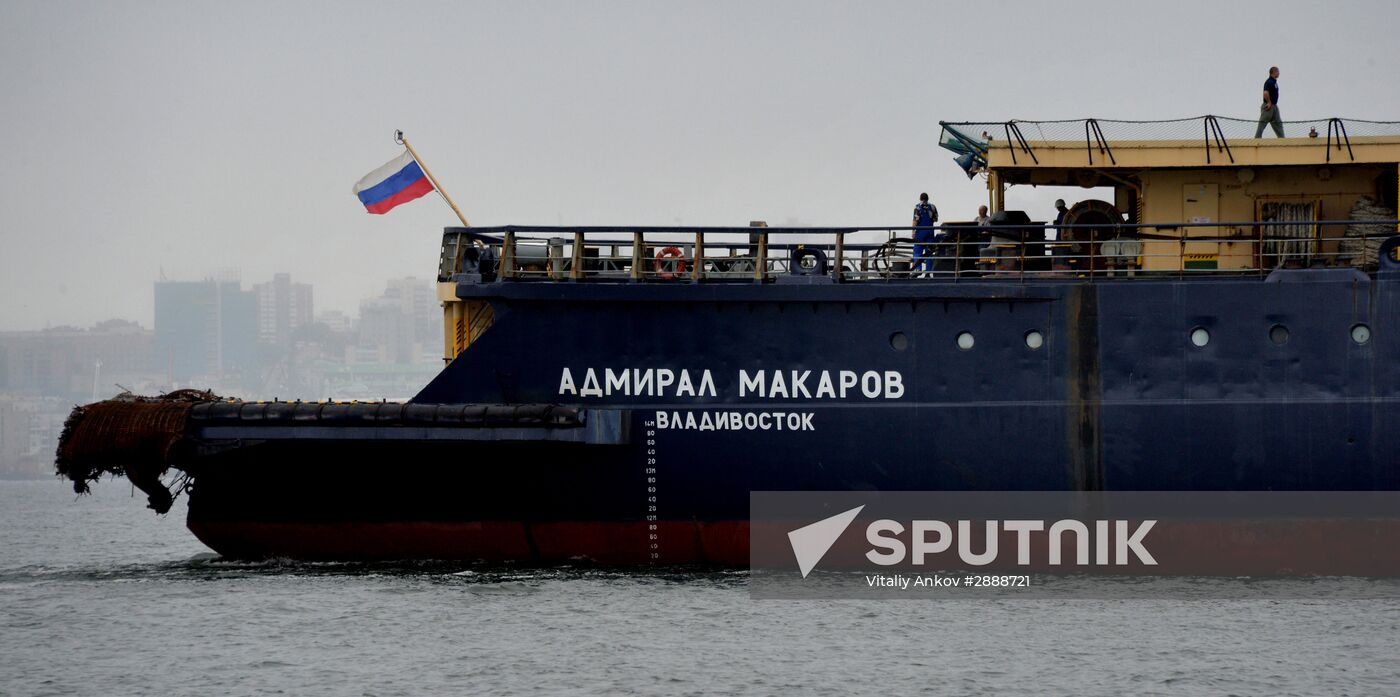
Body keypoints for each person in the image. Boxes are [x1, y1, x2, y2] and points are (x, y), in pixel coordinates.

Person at [911, 193, 939, 275]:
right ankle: (928, 273)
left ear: (920, 198)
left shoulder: (918, 207)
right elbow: (936, 219)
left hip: (920, 232)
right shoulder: (933, 207)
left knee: (917, 251)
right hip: (930, 231)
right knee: (929, 253)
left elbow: (915, 220)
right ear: (928, 198)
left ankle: (918, 270)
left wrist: (913, 232)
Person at [1254, 66, 1283, 138]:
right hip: (1269, 106)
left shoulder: (1274, 82)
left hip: (1274, 106)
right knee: (1262, 123)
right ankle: (1257, 139)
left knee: (1278, 124)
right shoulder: (1269, 82)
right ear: (1273, 72)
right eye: (1277, 71)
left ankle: (1282, 139)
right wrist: (1269, 102)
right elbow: (1265, 93)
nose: (1279, 73)